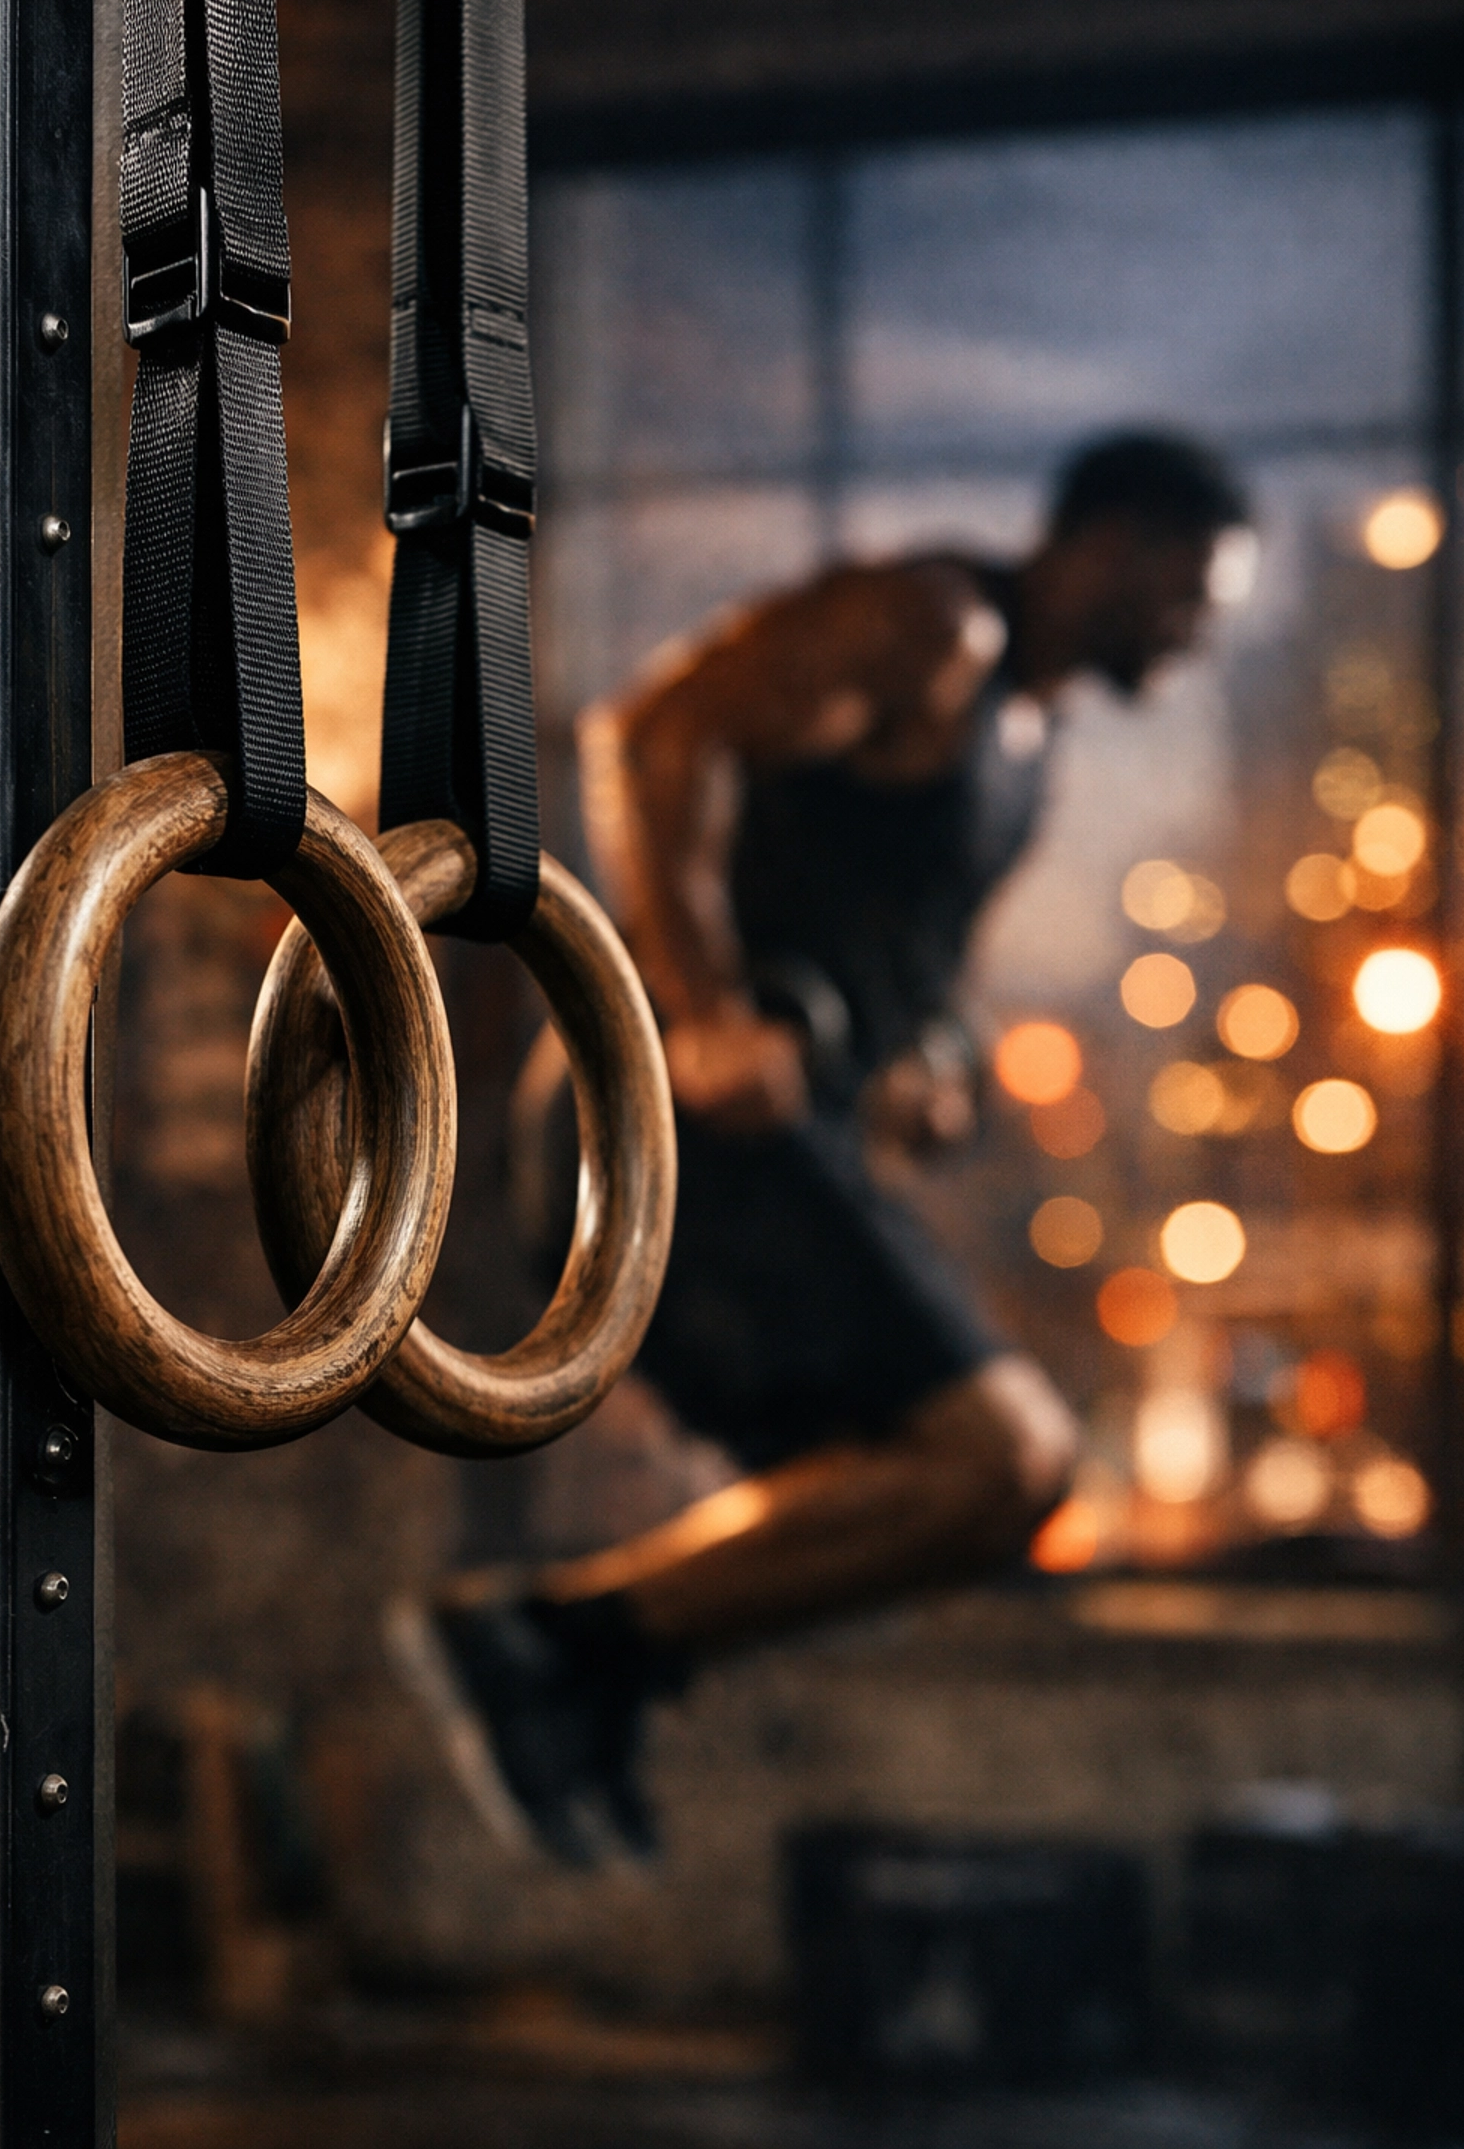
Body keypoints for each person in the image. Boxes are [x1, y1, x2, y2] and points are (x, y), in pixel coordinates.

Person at [387, 430, 1251, 1865]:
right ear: (1114, 544)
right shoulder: (937, 627)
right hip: (670, 1128)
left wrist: (937, 1062)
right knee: (1006, 1462)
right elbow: (658, 732)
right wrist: (707, 1012)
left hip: (775, 1147)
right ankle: (563, 1647)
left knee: (942, 1486)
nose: (1199, 630)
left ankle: (571, 1653)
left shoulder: (1028, 737)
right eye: (1193, 593)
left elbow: (912, 965)